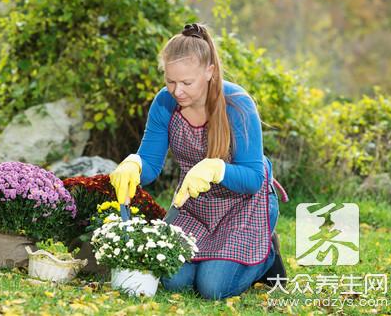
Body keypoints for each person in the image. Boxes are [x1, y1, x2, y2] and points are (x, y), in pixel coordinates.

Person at [109, 23, 288, 300]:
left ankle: (267, 255)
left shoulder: (237, 105)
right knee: (172, 279)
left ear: (209, 72)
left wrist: (216, 168)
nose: (177, 91)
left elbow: (253, 179)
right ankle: (215, 261)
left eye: (186, 83)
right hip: (196, 206)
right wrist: (134, 165)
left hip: (245, 204)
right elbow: (151, 162)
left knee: (212, 287)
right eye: (170, 81)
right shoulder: (165, 103)